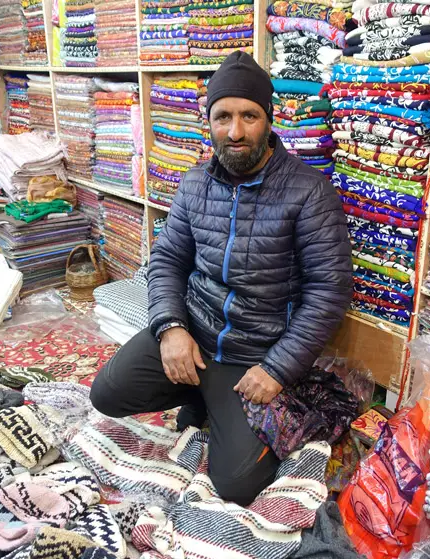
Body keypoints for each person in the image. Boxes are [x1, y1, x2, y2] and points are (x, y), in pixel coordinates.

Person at [90, 51, 352, 506]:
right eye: (223, 116)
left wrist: (277, 369)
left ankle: (211, 403)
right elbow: (168, 259)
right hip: (194, 335)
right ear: (207, 121)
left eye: (249, 116)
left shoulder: (309, 192)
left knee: (238, 484)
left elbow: (329, 293)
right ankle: (202, 395)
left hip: (252, 355)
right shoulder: (194, 184)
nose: (235, 131)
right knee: (106, 393)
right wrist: (171, 328)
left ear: (268, 119)